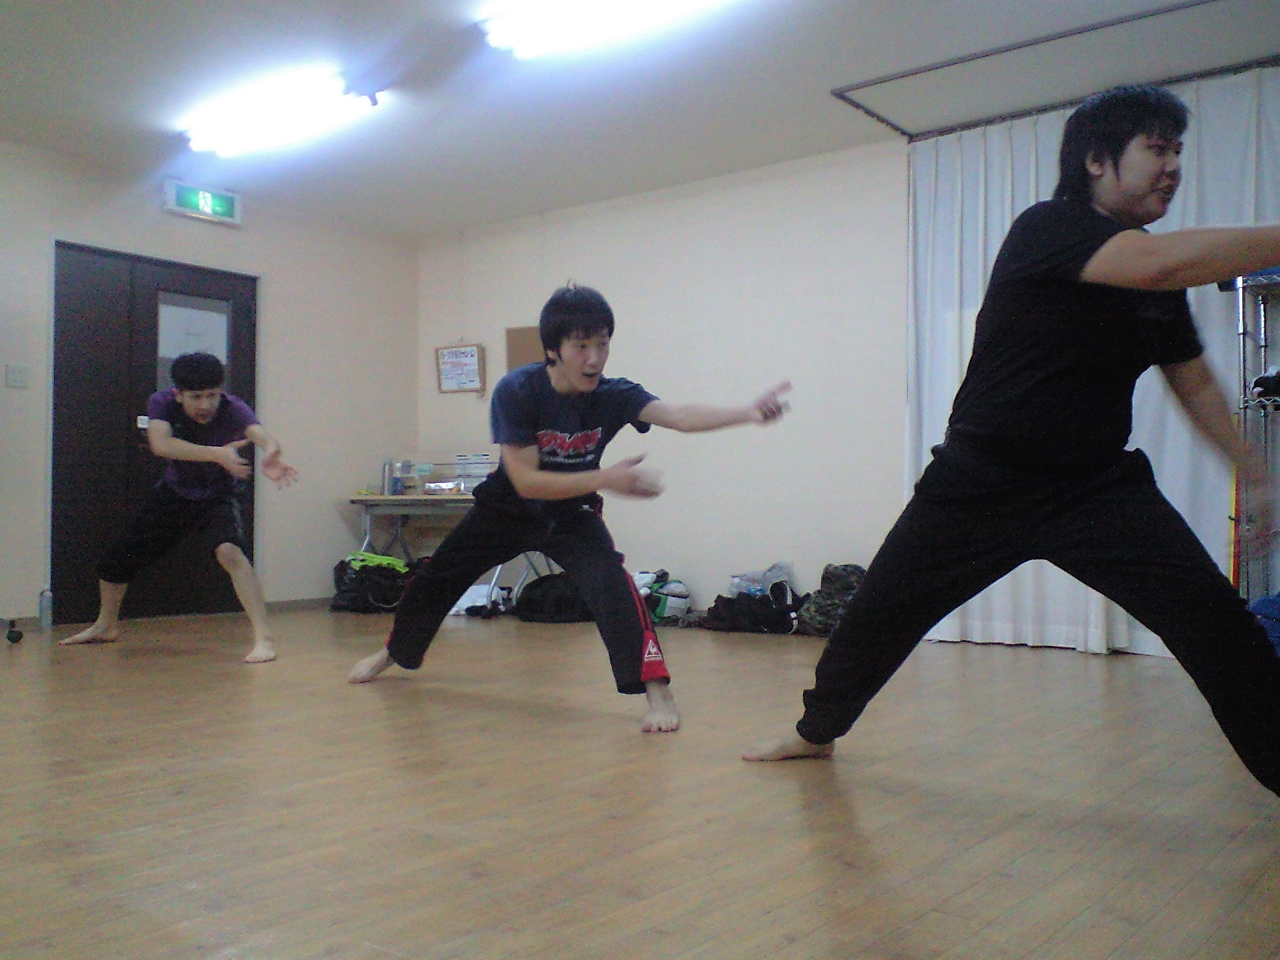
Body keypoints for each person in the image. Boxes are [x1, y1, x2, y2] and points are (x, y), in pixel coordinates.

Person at [744, 84, 1280, 799]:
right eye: (1157, 149)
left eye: (1178, 150)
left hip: (1097, 489)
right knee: (878, 617)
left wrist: (1257, 475)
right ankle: (815, 733)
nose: (1173, 166)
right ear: (1096, 160)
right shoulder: (1049, 227)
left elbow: (1194, 381)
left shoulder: (1157, 275)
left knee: (1220, 627)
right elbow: (1158, 265)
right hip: (979, 482)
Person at [349, 283, 790, 732]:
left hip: (570, 512)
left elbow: (678, 416)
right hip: (506, 507)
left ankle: (658, 692)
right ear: (552, 350)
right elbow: (526, 480)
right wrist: (605, 478)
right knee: (437, 576)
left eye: (602, 345)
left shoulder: (615, 395)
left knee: (614, 588)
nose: (594, 359)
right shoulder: (518, 391)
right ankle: (394, 653)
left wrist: (747, 413)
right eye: (581, 346)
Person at [60, 352, 299, 663]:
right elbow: (161, 444)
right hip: (174, 494)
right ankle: (106, 626)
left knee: (230, 552)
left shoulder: (233, 408)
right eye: (196, 397)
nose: (205, 405)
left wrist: (272, 452)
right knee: (115, 561)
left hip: (217, 496)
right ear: (178, 394)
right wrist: (217, 454)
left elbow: (260, 435)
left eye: (212, 395)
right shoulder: (161, 403)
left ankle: (263, 639)